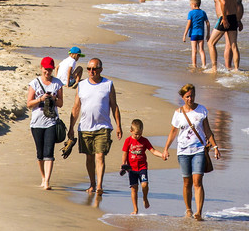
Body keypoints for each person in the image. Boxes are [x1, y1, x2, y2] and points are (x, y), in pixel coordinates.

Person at [161, 84, 221, 221]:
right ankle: (188, 209)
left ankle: (198, 212)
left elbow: (207, 130)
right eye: (187, 96)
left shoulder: (202, 110)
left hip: (199, 149)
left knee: (197, 181)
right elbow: (172, 133)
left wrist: (215, 146)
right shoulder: (178, 113)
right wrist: (165, 149)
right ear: (182, 97)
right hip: (183, 151)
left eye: (192, 95)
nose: (190, 98)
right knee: (187, 182)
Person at [67, 58, 122, 195]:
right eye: (89, 69)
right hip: (85, 127)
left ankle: (99, 186)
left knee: (100, 156)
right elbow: (76, 107)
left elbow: (114, 106)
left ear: (101, 70)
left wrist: (118, 126)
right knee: (89, 158)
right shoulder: (81, 85)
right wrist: (71, 127)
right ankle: (92, 183)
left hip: (103, 127)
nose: (91, 71)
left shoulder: (108, 84)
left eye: (95, 69)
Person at [26, 57, 64, 190]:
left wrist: (53, 98)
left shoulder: (57, 83)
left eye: (49, 69)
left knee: (49, 152)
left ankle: (47, 180)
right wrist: (40, 99)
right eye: (45, 69)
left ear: (53, 69)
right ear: (41, 68)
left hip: (51, 122)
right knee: (40, 153)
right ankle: (43, 177)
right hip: (37, 122)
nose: (47, 72)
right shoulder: (34, 83)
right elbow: (29, 104)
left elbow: (60, 103)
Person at [121, 119, 161, 214]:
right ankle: (135, 209)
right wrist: (123, 164)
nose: (138, 136)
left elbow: (153, 150)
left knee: (144, 184)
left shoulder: (145, 141)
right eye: (136, 134)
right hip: (131, 169)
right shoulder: (128, 141)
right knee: (134, 188)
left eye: (140, 134)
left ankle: (145, 198)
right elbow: (125, 153)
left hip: (142, 167)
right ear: (131, 131)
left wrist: (162, 155)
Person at [207, 0, 241, 72]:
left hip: (224, 18)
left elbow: (223, 2)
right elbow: (235, 4)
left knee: (211, 43)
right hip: (233, 17)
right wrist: (237, 20)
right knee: (234, 45)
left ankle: (214, 68)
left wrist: (224, 18)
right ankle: (236, 69)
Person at [182, 0, 208, 69]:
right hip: (201, 34)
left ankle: (194, 65)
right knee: (201, 50)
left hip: (193, 34)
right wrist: (208, 34)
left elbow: (188, 24)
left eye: (190, 5)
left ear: (194, 4)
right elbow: (208, 23)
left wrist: (184, 35)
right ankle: (204, 65)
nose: (190, 6)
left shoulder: (191, 13)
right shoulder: (203, 12)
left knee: (194, 51)